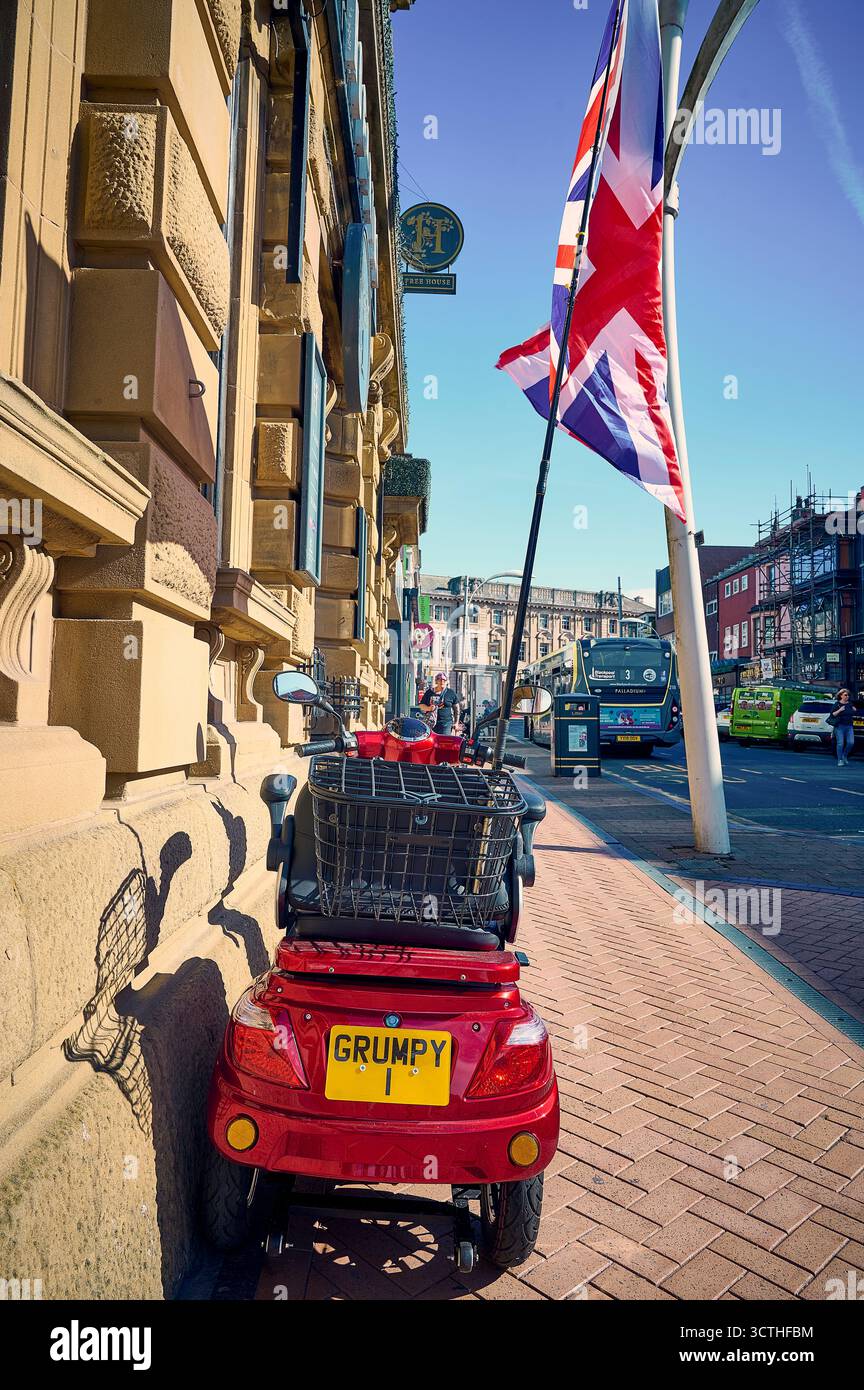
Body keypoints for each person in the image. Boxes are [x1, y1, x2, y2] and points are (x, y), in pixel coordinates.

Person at [829, 688, 855, 766]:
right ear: (841, 695)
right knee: (840, 743)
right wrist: (840, 710)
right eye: (845, 695)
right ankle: (840, 760)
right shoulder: (837, 704)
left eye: (848, 695)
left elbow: (853, 712)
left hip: (849, 726)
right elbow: (832, 714)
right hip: (839, 726)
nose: (847, 696)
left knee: (851, 742)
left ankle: (844, 756)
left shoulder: (850, 704)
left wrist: (854, 709)